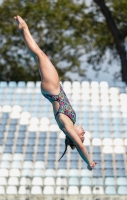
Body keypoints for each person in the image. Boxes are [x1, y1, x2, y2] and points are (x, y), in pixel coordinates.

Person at [14, 15, 97, 171]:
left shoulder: (67, 128)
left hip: (53, 91)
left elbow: (79, 147)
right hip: (53, 90)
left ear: (76, 137)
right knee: (39, 55)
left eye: (82, 135)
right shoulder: (70, 124)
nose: (83, 132)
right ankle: (23, 29)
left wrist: (89, 162)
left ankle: (24, 28)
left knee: (40, 55)